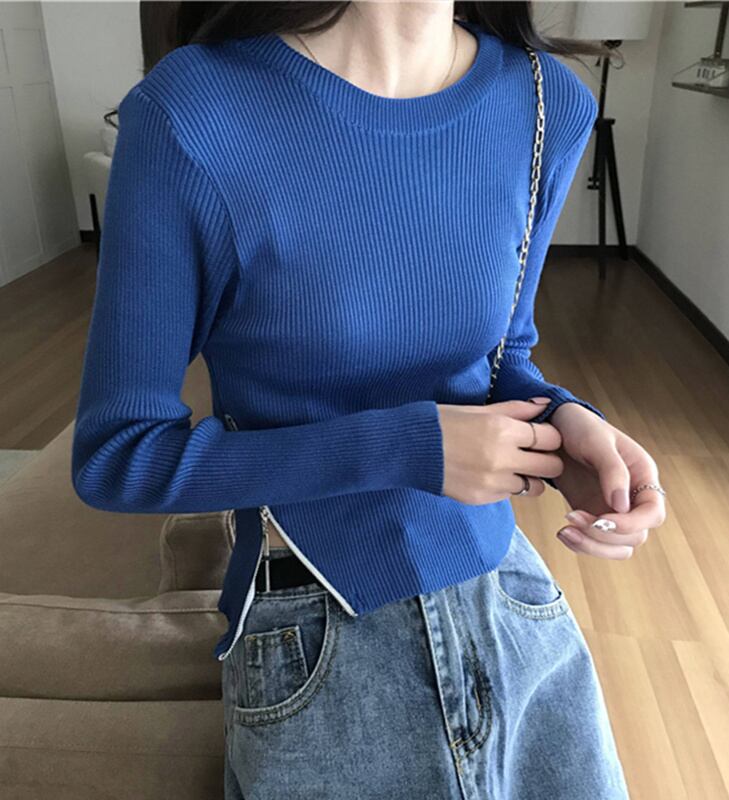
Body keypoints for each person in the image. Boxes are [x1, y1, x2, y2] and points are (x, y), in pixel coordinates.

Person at [72, 2, 667, 797]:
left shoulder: (545, 102)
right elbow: (119, 457)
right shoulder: (191, 115)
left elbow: (503, 357)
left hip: (510, 604)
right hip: (316, 627)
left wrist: (566, 423)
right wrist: (409, 448)